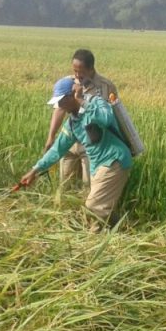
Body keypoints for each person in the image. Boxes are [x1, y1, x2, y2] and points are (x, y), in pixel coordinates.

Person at [21, 77, 133, 231]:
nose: (59, 105)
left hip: (114, 161)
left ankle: (93, 245)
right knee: (101, 206)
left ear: (71, 95)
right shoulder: (73, 123)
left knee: (93, 207)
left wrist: (81, 100)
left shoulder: (95, 102)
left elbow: (106, 119)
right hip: (98, 166)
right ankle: (123, 229)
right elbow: (57, 149)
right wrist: (35, 170)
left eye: (61, 101)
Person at [44, 49, 119, 187]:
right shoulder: (67, 83)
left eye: (81, 71)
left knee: (88, 186)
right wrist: (51, 136)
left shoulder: (106, 87)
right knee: (66, 185)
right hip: (70, 143)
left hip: (92, 145)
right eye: (75, 71)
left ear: (91, 69)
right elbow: (59, 109)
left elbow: (111, 117)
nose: (77, 75)